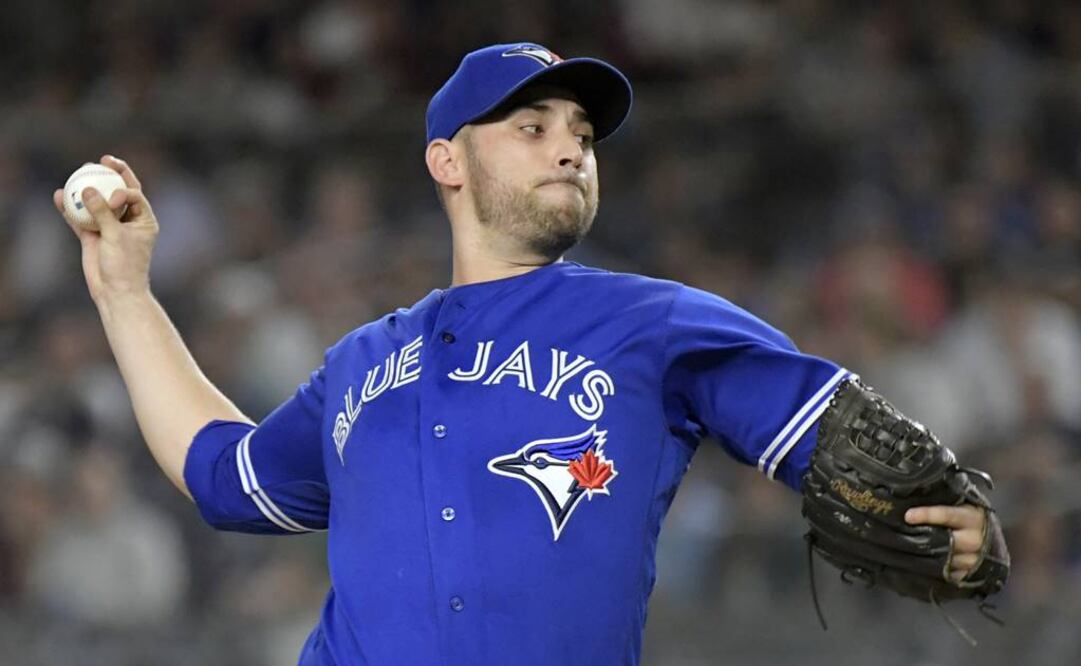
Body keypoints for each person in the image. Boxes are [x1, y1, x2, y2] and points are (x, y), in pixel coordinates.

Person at [54, 42, 995, 665]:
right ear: (447, 161)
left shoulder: (653, 324)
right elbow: (224, 475)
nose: (569, 150)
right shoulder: (357, 365)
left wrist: (950, 518)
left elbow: (840, 436)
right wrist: (124, 289)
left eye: (582, 136)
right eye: (533, 127)